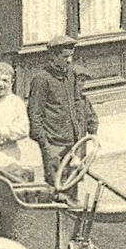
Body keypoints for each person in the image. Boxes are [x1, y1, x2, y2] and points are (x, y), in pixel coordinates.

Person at [26, 35, 97, 188]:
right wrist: (45, 145)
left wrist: (82, 132)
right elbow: (34, 115)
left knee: (73, 182)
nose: (69, 60)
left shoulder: (70, 74)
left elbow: (77, 102)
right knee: (56, 187)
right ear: (53, 56)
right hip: (53, 144)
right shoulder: (41, 80)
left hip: (73, 142)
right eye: (65, 56)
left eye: (71, 55)